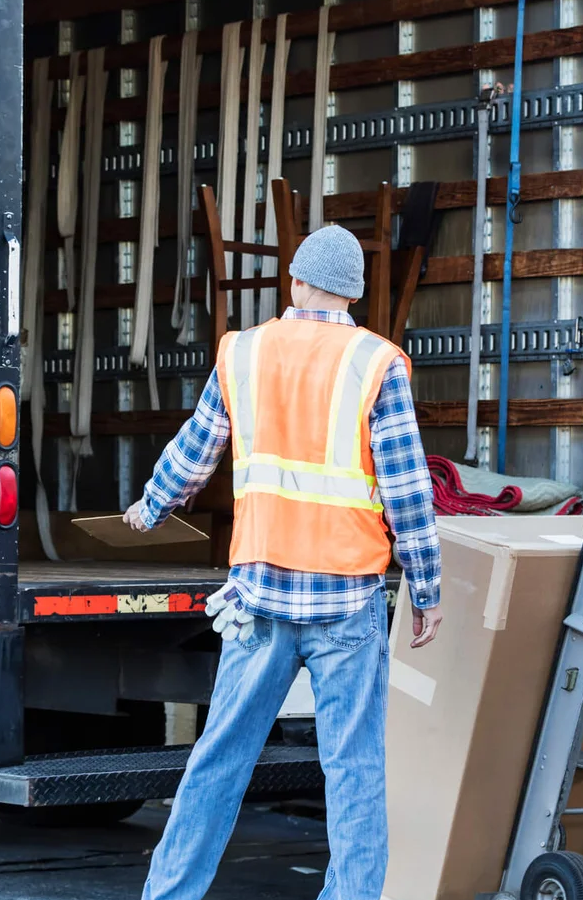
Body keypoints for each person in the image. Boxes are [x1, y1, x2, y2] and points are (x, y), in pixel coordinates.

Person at [122, 224, 443, 900]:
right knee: (353, 772)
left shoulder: (245, 352)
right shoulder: (375, 361)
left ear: (294, 281)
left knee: (218, 761)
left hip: (257, 601)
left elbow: (196, 449)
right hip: (347, 603)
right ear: (352, 295)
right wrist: (427, 584)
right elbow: (407, 485)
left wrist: (148, 508)